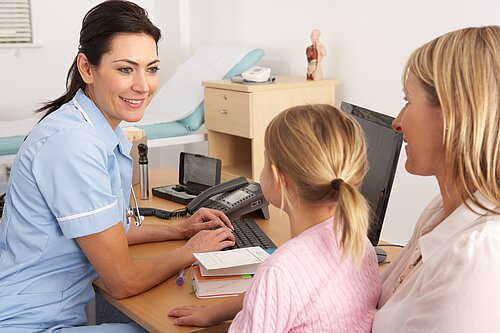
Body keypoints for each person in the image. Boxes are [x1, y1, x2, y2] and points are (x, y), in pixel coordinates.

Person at [0, 1, 235, 332]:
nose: (143, 85)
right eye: (126, 69)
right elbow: (122, 282)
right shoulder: (73, 145)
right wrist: (189, 251)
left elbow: (111, 232)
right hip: (29, 322)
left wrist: (179, 230)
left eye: (151, 69)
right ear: (87, 67)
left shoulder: (98, 127)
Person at [169, 104, 381, 332]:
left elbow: (278, 287)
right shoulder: (357, 241)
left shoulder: (278, 273)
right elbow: (284, 295)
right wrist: (214, 313)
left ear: (279, 179)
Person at [372, 26, 500, 332]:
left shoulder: (479, 255)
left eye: (408, 100)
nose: (397, 122)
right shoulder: (439, 211)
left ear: (455, 114)